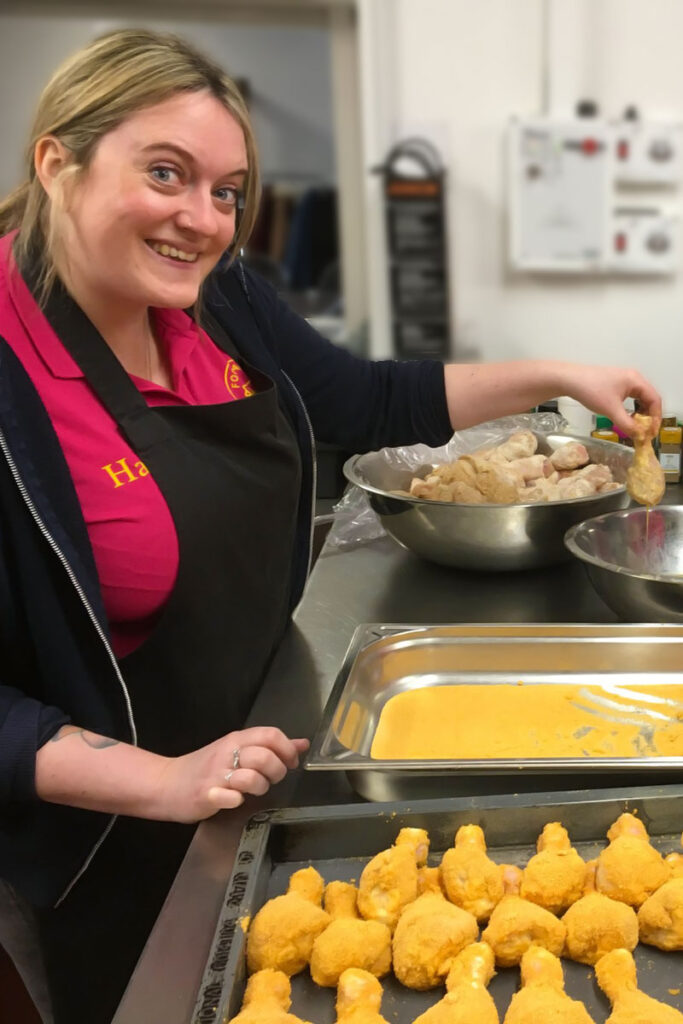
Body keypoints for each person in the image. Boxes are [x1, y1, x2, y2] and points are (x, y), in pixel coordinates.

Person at [0, 28, 661, 1024]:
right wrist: (158, 781)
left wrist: (561, 375)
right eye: (166, 174)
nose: (202, 220)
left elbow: (367, 401)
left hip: (263, 738)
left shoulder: (214, 299)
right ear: (57, 159)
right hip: (108, 818)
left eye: (226, 192)